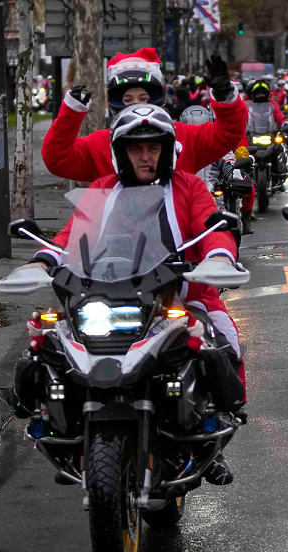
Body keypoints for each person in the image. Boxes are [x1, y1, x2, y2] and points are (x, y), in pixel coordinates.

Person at [29, 104, 248, 484]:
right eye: (135, 149)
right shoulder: (102, 190)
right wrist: (44, 259)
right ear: (120, 153)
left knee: (222, 339)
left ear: (166, 150)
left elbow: (211, 225)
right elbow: (71, 235)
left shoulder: (189, 186)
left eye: (153, 148)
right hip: (105, 295)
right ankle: (64, 432)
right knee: (46, 341)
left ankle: (217, 433)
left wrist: (217, 255)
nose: (145, 156)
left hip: (178, 295)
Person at [41, 49, 247, 183]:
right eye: (128, 100)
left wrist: (225, 95)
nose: (136, 106)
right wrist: (71, 113)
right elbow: (57, 159)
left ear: (158, 99)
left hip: (179, 241)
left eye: (143, 98)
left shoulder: (184, 136)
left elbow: (229, 134)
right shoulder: (101, 144)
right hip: (117, 243)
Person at [180, 105, 255, 235]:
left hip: (212, 199)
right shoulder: (175, 151)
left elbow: (230, 163)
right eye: (192, 131)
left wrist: (235, 177)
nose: (197, 135)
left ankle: (239, 227)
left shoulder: (218, 147)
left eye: (201, 130)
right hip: (182, 200)